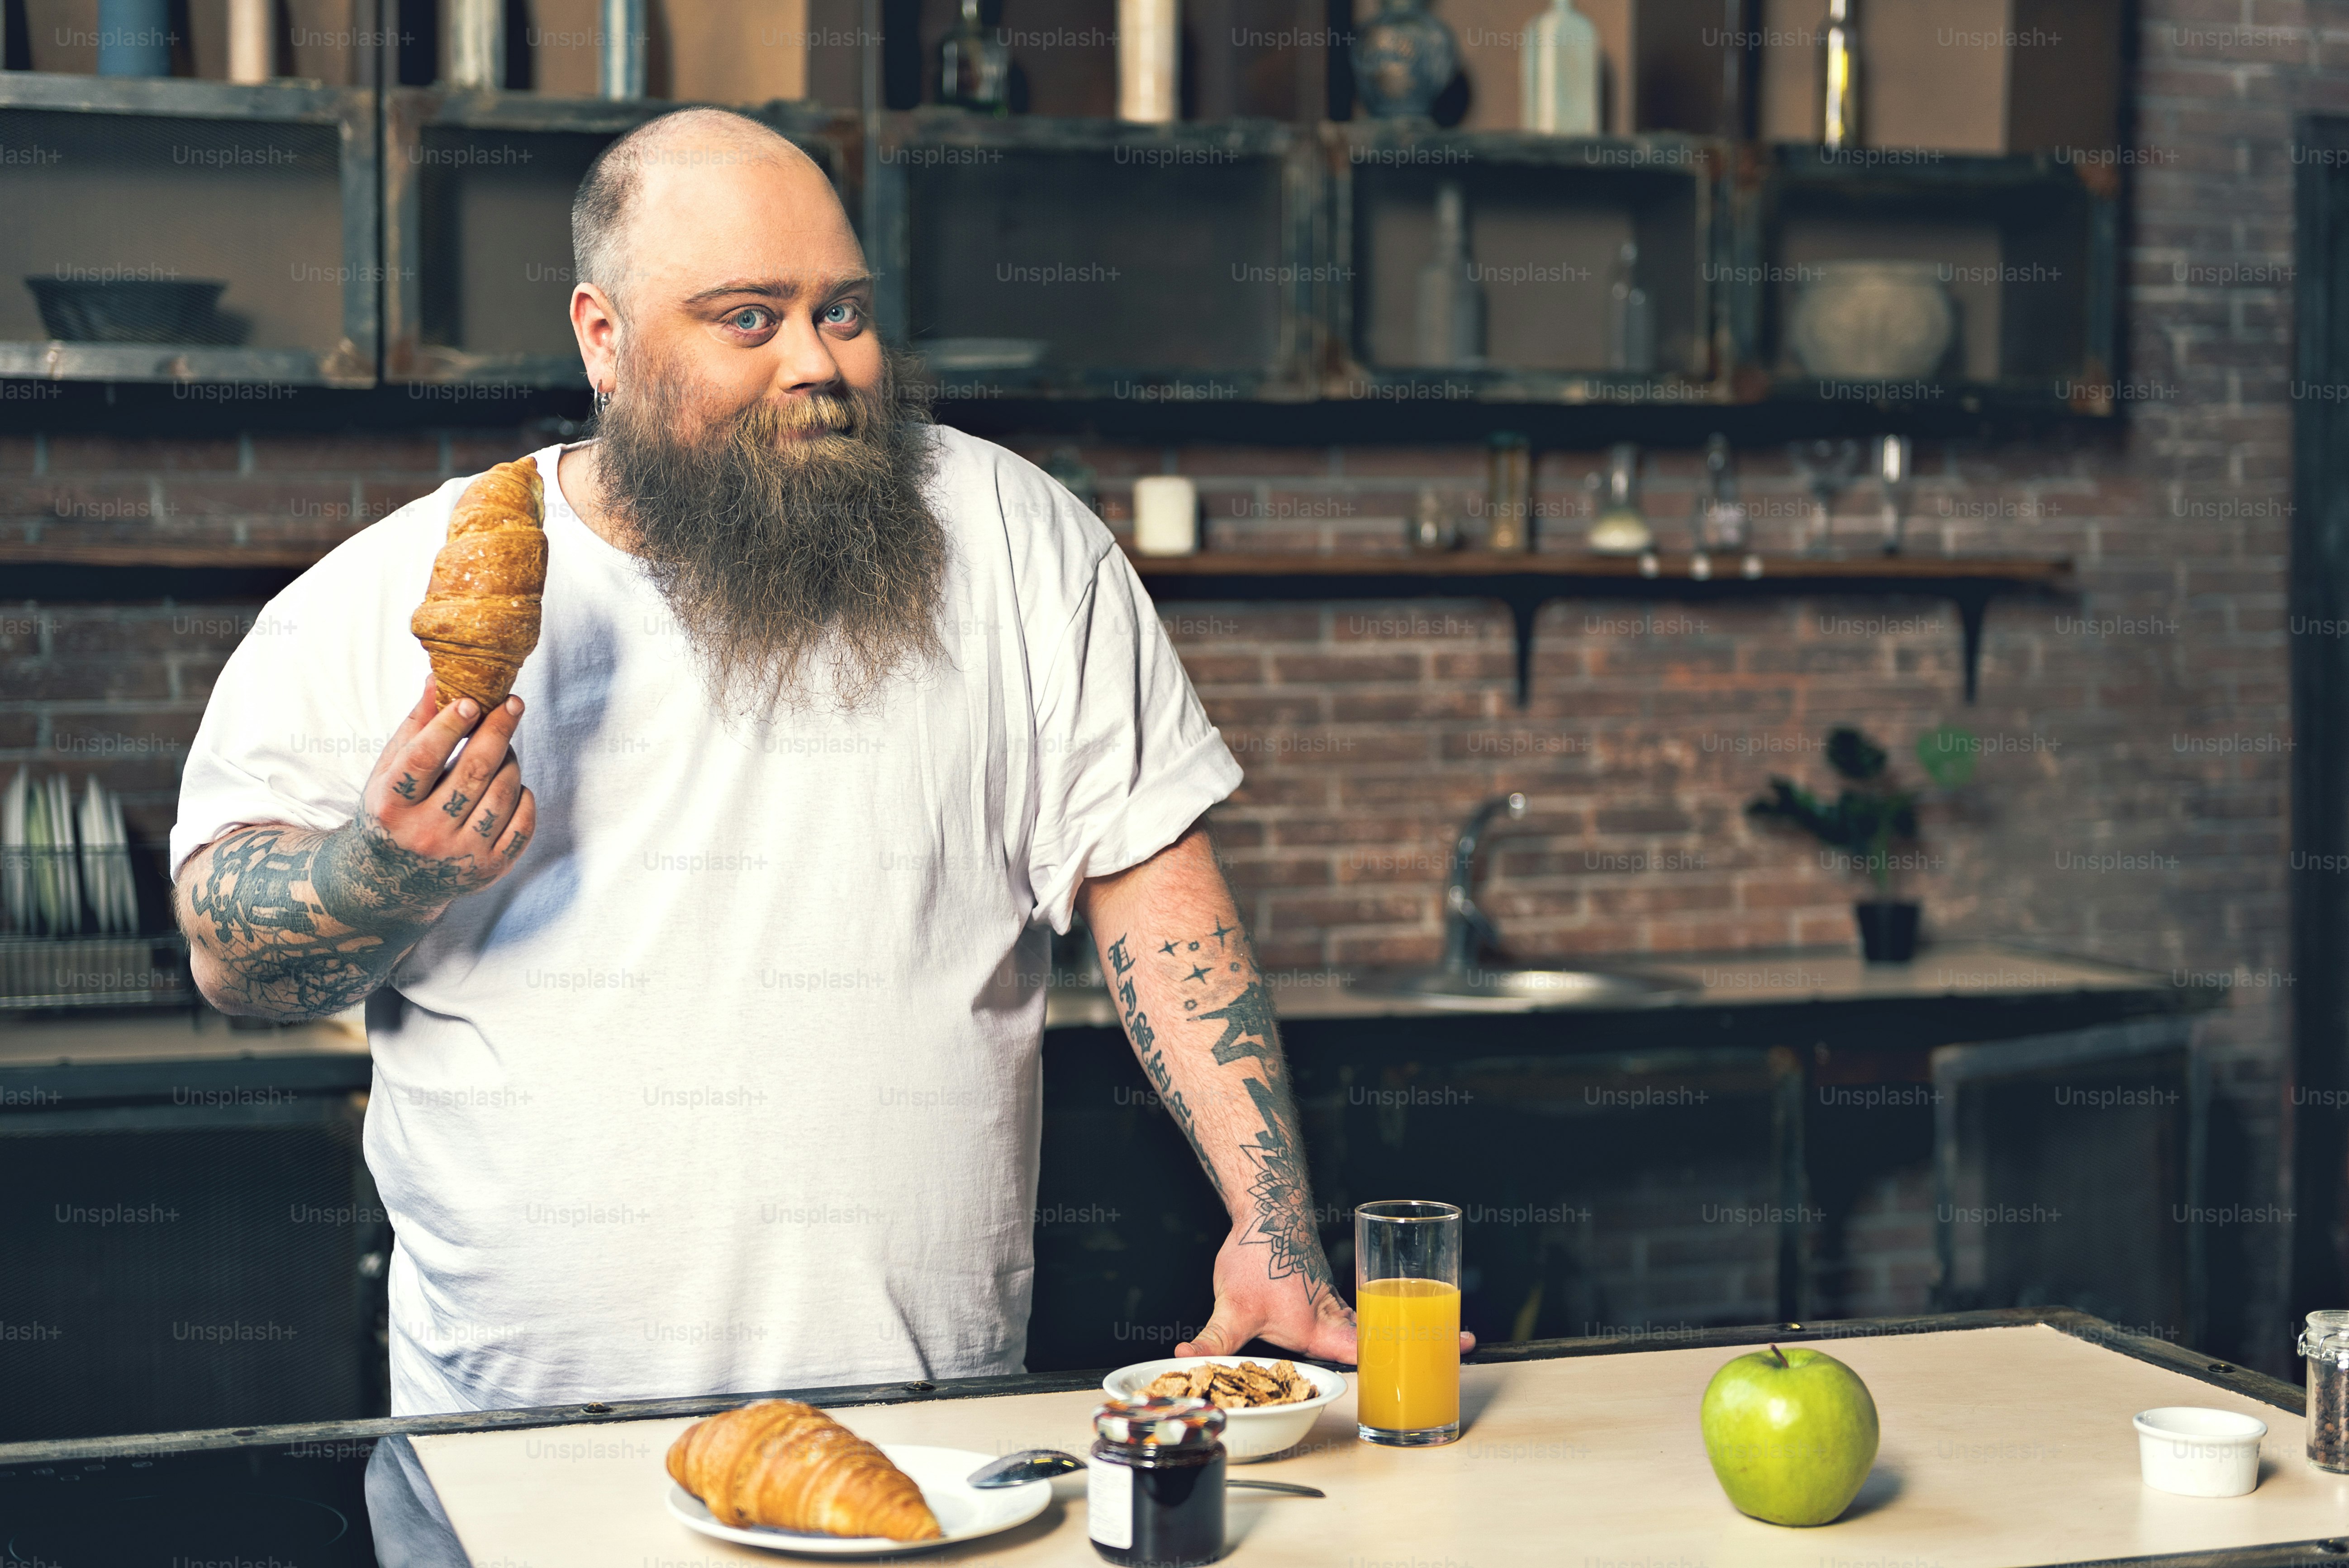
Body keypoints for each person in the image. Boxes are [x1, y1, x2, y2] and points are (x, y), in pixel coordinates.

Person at [169, 107, 1399, 1419]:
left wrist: (1274, 1220)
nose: (818, 362)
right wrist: (377, 874)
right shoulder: (388, 592)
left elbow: (1150, 879)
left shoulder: (1018, 541)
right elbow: (224, 947)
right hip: (515, 1451)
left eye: (846, 312)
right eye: (748, 318)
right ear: (604, 336)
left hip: (923, 1447)